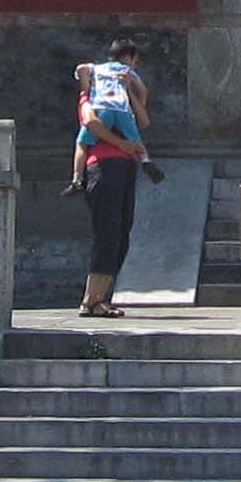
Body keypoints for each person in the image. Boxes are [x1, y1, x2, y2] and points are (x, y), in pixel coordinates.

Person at [75, 94, 144, 318]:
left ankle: (102, 298)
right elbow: (89, 128)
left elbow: (143, 120)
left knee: (121, 236)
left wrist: (132, 94)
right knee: (108, 234)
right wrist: (121, 143)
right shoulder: (90, 101)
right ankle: (91, 300)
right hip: (103, 169)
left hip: (125, 168)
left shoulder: (123, 102)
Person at [70, 39, 161, 191]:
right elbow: (144, 91)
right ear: (132, 58)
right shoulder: (127, 71)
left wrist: (86, 90)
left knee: (81, 143)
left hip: (102, 107)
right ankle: (146, 160)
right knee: (136, 139)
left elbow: (81, 69)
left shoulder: (97, 68)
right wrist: (140, 104)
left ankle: (77, 180)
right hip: (122, 109)